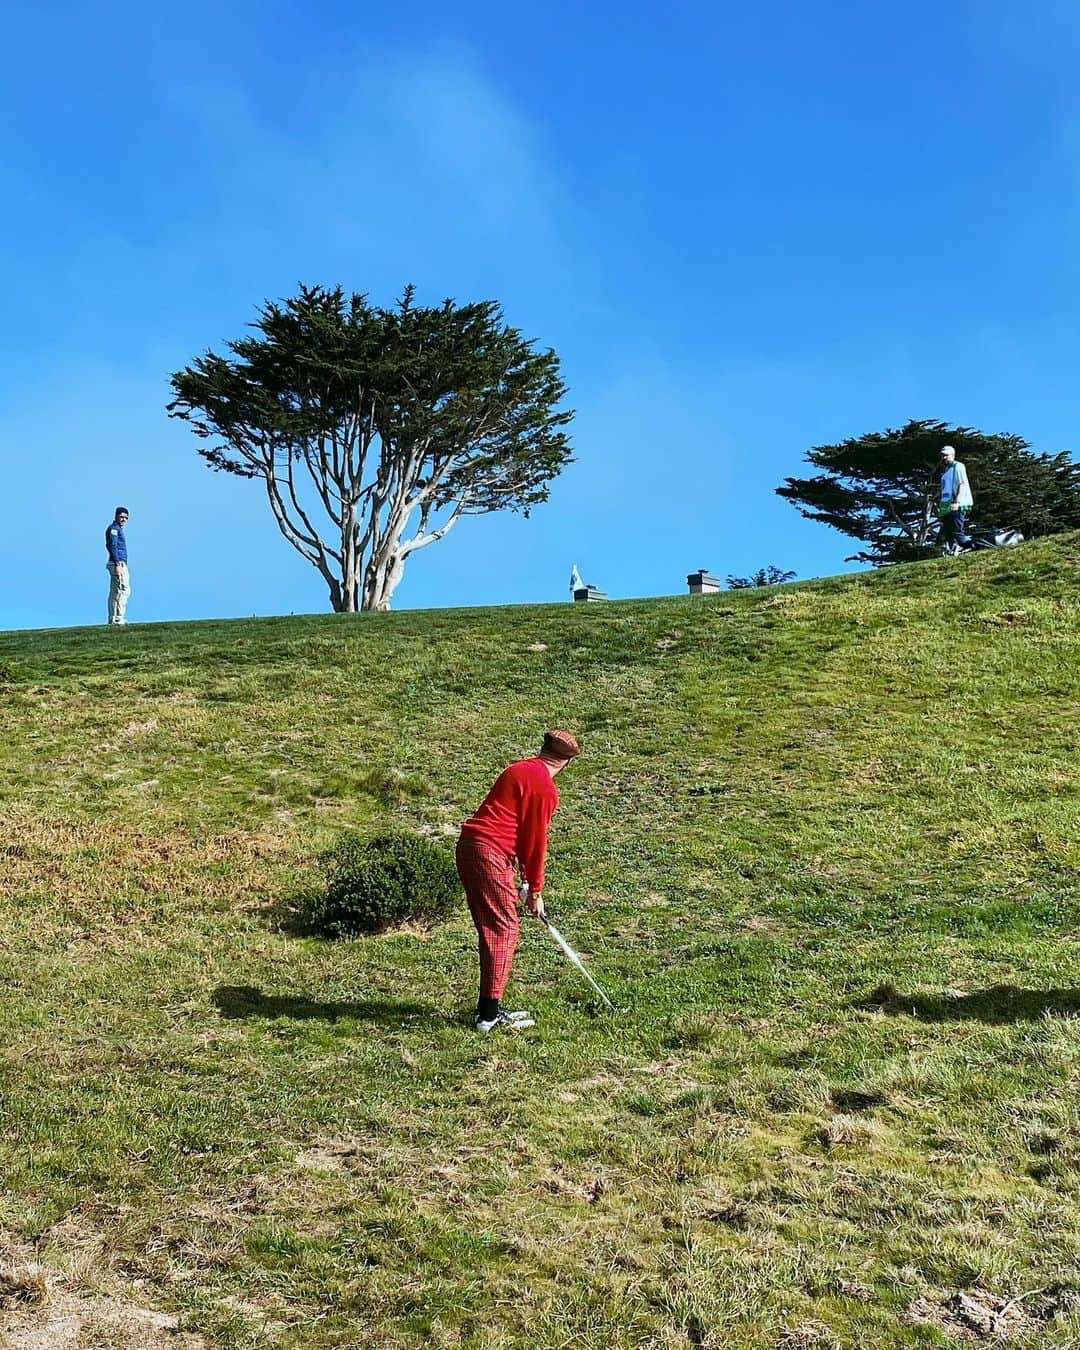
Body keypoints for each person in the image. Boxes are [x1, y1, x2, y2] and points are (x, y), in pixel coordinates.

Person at [456, 730, 581, 1032]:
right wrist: (535, 890)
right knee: (503, 928)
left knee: (495, 926)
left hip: (470, 847)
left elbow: (518, 831)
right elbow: (534, 842)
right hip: (490, 853)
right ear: (567, 762)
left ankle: (489, 1009)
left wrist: (525, 883)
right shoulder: (545, 789)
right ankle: (487, 1016)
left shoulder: (518, 769)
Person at [938, 446, 973, 555]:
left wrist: (957, 502)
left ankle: (969, 547)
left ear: (952, 455)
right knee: (948, 531)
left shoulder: (958, 466)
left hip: (957, 504)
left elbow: (962, 484)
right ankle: (952, 550)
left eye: (946, 455)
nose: (944, 457)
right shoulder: (945, 471)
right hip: (946, 506)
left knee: (956, 530)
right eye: (942, 455)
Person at [105, 506, 131, 624]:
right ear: (116, 516)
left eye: (126, 517)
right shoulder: (114, 529)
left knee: (115, 591)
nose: (123, 519)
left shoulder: (117, 529)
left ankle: (113, 618)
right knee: (123, 589)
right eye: (121, 516)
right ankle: (118, 617)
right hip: (118, 563)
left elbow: (109, 545)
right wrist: (117, 564)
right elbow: (112, 546)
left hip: (117, 562)